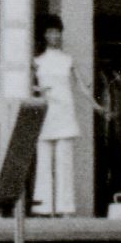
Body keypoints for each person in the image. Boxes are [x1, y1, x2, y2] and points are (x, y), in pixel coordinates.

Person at [28, 15, 85, 217]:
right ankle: (43, 207)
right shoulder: (36, 62)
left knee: (65, 163)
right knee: (44, 162)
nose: (55, 36)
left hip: (65, 114)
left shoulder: (68, 60)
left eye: (57, 32)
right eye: (51, 32)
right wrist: (38, 89)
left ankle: (65, 207)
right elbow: (27, 86)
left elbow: (81, 86)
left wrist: (97, 105)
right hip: (46, 113)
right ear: (44, 35)